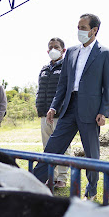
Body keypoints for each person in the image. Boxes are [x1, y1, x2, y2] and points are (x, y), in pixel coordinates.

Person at [33, 13, 109, 200]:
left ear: (94, 30)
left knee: (91, 153)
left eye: (83, 28)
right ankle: (33, 184)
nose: (79, 31)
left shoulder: (105, 53)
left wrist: (104, 111)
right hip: (68, 108)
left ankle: (91, 192)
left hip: (91, 110)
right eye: (78, 27)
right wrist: (53, 107)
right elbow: (63, 83)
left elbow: (107, 86)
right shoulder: (71, 52)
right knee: (52, 147)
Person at [36, 37, 70, 188]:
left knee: (63, 147)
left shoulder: (67, 67)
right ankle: (52, 177)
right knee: (47, 147)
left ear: (63, 50)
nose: (53, 50)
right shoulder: (43, 69)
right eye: (51, 47)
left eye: (56, 47)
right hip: (44, 114)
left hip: (60, 114)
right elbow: (39, 89)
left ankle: (62, 178)